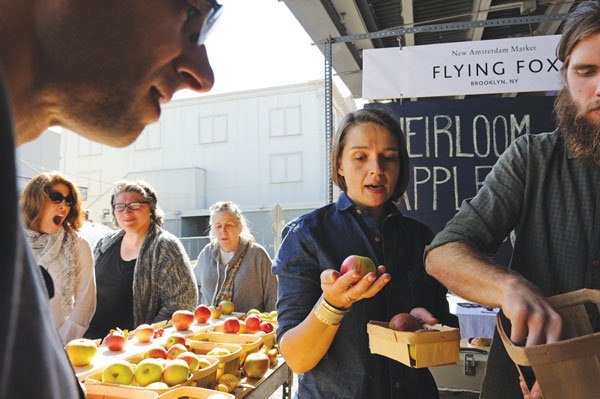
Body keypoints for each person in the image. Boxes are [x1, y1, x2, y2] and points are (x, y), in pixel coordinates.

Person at [0, 1, 219, 396]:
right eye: (191, 15)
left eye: (135, 205)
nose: (203, 76)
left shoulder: (156, 248)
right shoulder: (103, 244)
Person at [424, 2, 600, 399]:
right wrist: (510, 288)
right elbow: (443, 253)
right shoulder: (531, 158)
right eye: (586, 71)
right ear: (566, 79)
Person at [272, 108, 457, 399]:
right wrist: (332, 303)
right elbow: (296, 358)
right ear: (340, 165)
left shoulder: (419, 237)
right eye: (360, 157)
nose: (377, 169)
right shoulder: (306, 235)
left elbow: (438, 330)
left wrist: (424, 323)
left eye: (389, 157)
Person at [85, 180, 198, 338]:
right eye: (119, 206)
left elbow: (182, 302)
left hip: (135, 348)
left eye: (135, 205)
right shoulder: (104, 243)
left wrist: (145, 338)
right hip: (91, 342)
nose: (126, 212)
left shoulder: (165, 246)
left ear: (151, 209)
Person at [21, 172, 96, 344]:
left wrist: (59, 344)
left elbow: (86, 303)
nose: (63, 205)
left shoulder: (78, 245)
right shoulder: (13, 240)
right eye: (56, 198)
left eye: (68, 201)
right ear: (35, 200)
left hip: (59, 342)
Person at [194, 201, 277, 312]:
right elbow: (194, 287)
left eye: (229, 225)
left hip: (248, 327)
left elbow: (273, 296)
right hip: (211, 327)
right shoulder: (207, 253)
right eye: (218, 226)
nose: (223, 231)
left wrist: (269, 325)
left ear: (240, 227)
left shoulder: (257, 254)